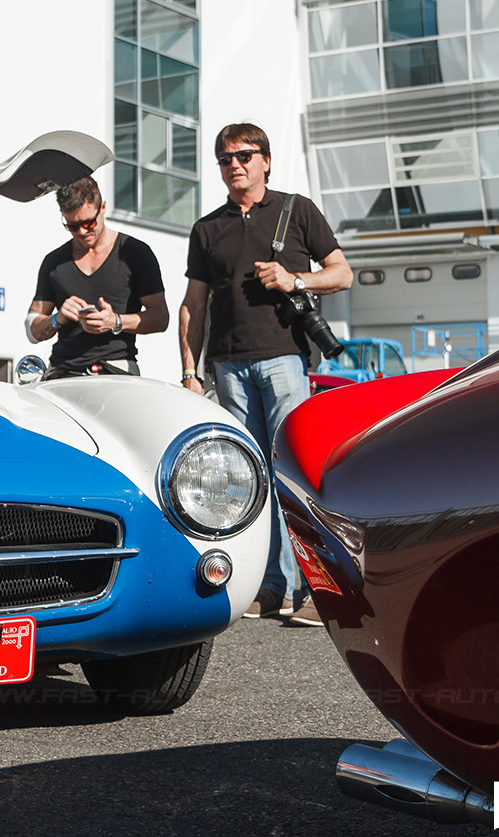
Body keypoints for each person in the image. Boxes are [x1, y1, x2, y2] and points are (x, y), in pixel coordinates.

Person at [180, 123, 351, 627]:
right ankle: (269, 586)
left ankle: (316, 589)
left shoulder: (296, 210)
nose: (235, 164)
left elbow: (342, 272)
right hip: (227, 365)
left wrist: (295, 279)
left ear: (266, 161)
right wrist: (190, 371)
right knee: (245, 481)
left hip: (283, 359)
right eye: (226, 158)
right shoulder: (207, 228)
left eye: (245, 155)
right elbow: (193, 305)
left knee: (293, 476)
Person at [26, 176, 169, 376]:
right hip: (63, 371)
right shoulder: (54, 262)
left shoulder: (135, 253)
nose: (82, 232)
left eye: (89, 223)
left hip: (117, 369)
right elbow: (31, 328)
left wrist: (116, 322)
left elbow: (161, 318)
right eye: (73, 226)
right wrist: (57, 318)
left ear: (102, 208)